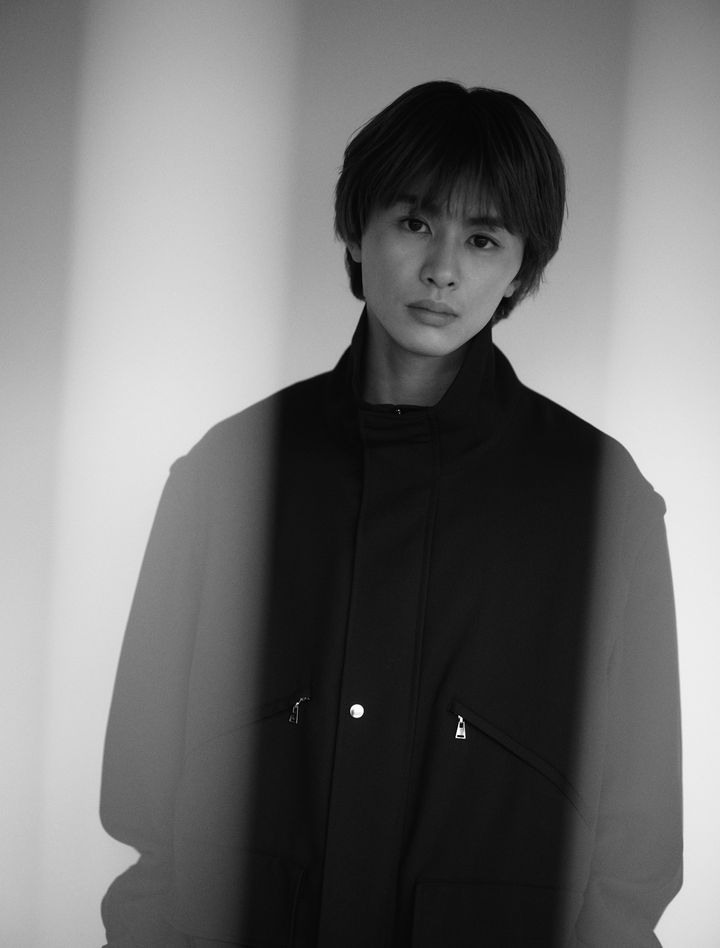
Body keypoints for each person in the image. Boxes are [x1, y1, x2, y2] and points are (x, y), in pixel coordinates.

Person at [100, 81, 682, 947]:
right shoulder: (230, 471)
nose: (443, 268)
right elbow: (146, 793)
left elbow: (635, 847)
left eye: (482, 238)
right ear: (356, 228)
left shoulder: (599, 497)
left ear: (521, 266)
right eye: (414, 223)